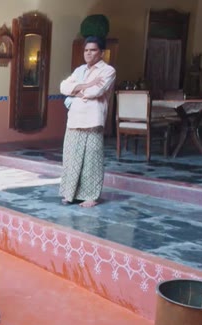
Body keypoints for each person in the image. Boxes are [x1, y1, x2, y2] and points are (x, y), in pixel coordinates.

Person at [59, 36, 116, 208]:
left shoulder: (108, 71)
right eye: (86, 50)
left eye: (93, 50)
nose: (88, 53)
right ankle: (70, 194)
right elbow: (63, 87)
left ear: (102, 53)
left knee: (91, 159)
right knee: (71, 158)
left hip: (93, 120)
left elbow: (95, 92)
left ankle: (91, 196)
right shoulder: (79, 70)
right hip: (74, 120)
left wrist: (76, 90)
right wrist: (87, 84)